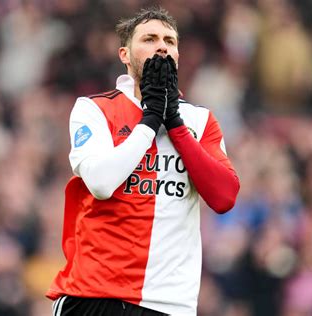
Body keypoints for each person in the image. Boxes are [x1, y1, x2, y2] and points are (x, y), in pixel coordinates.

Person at [46, 6, 240, 316]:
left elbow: (224, 196)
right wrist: (149, 121)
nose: (162, 46)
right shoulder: (93, 109)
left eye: (170, 41)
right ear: (124, 54)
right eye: (149, 38)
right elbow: (100, 182)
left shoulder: (199, 121)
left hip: (169, 304)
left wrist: (174, 123)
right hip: (95, 295)